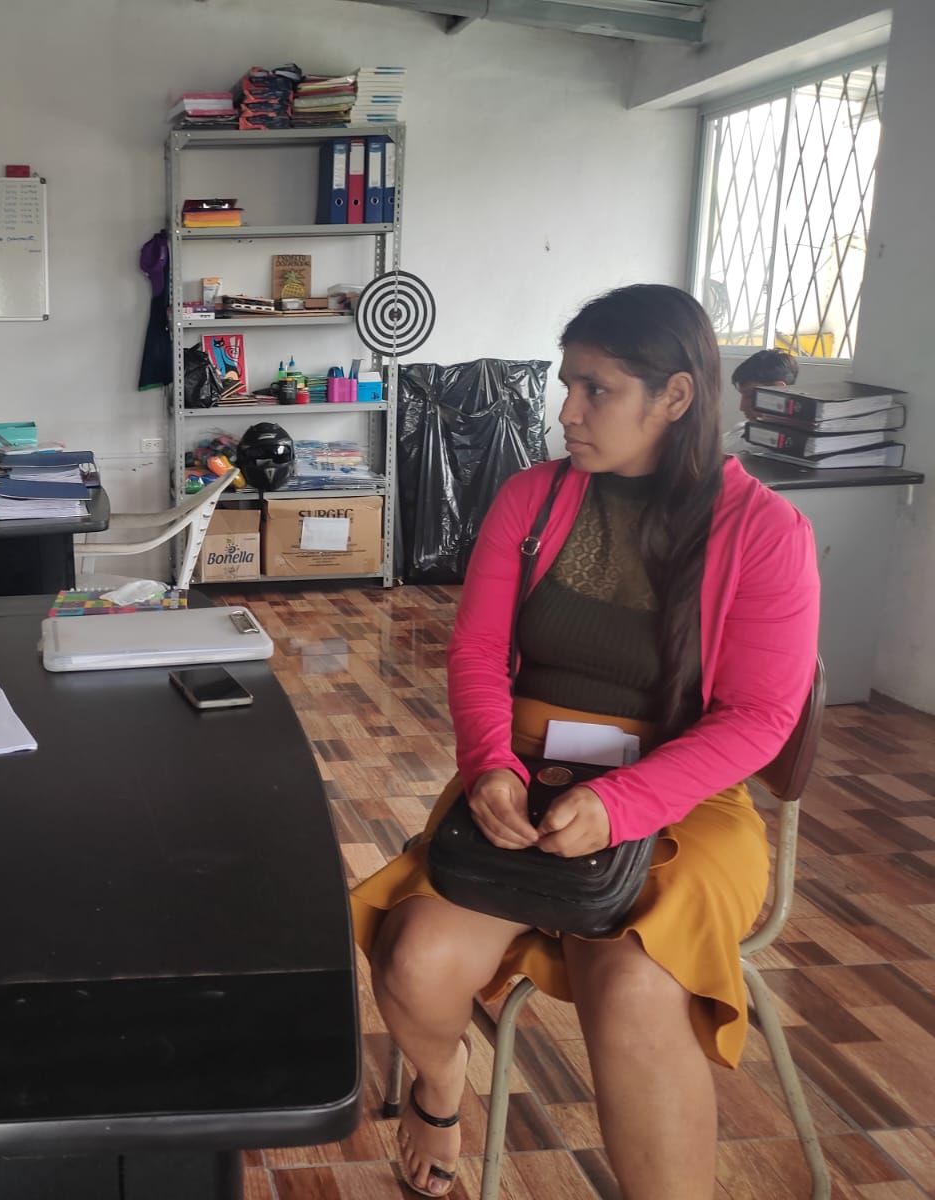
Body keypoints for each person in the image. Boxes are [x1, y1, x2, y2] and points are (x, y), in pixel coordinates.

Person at [350, 285, 820, 1197]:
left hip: (683, 795)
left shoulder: (766, 533)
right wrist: (489, 763)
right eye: (567, 385)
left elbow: (760, 718)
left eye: (595, 389)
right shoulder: (532, 498)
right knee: (415, 961)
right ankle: (440, 1086)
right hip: (524, 778)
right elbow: (478, 651)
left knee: (636, 986)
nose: (566, 411)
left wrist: (622, 803)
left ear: (675, 397)